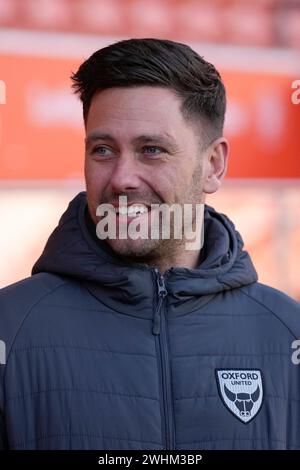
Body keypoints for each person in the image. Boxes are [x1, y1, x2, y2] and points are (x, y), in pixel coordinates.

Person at [0, 38, 299, 451]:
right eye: (103, 149)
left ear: (213, 165)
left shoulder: (287, 333)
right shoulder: (9, 327)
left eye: (151, 150)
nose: (122, 178)